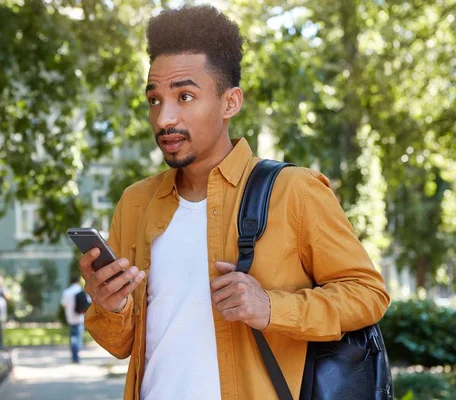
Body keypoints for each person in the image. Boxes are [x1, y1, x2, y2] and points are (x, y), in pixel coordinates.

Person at [78, 5, 390, 400]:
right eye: (154, 100)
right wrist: (109, 304)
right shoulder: (136, 203)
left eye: (185, 96)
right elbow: (119, 344)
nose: (163, 118)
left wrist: (271, 308)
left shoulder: (294, 191)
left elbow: (368, 293)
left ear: (231, 102)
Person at [60, 274, 90, 363]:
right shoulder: (81, 291)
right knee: (77, 338)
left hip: (70, 318)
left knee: (73, 338)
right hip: (79, 317)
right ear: (78, 281)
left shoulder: (66, 292)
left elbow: (63, 304)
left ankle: (74, 356)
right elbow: (88, 303)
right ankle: (76, 357)